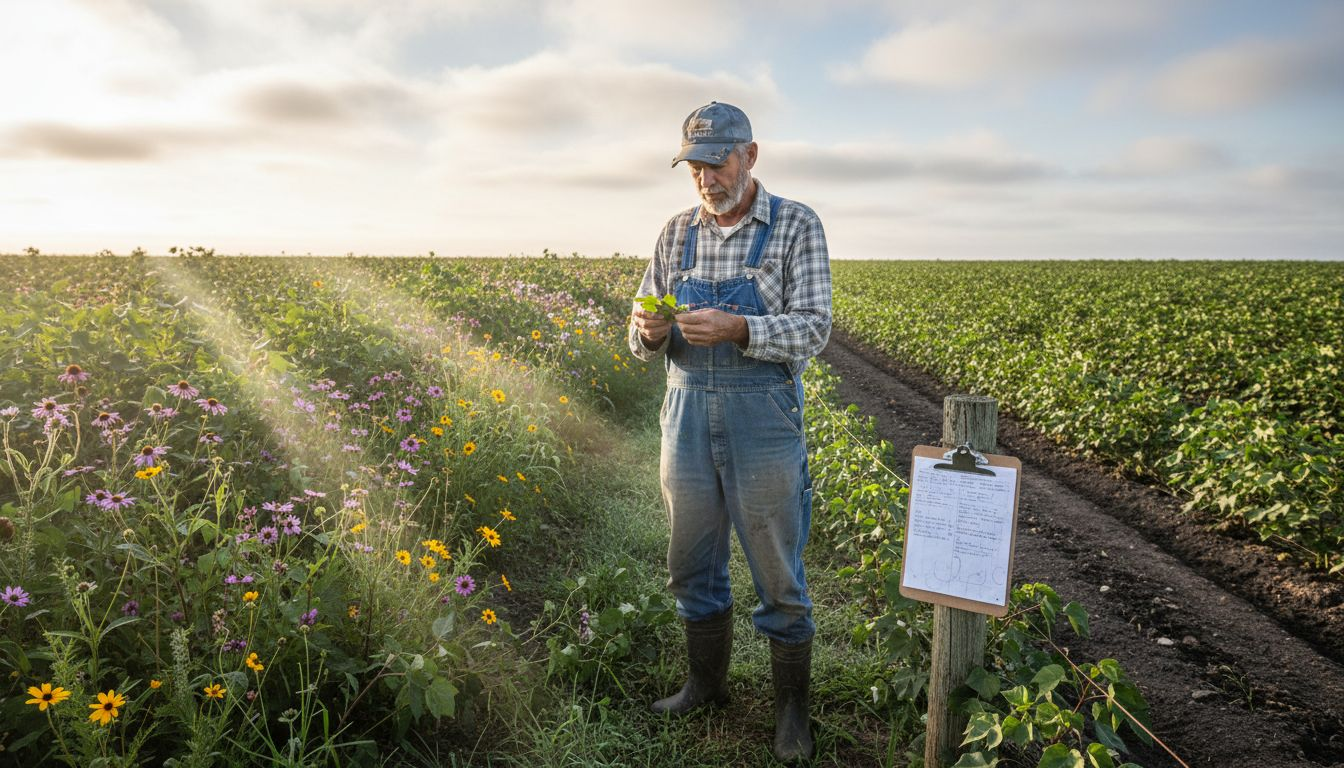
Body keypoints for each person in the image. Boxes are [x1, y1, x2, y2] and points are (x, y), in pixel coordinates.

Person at [627, 101, 832, 762]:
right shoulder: (674, 232)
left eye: (717, 162)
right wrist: (650, 331)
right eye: (695, 167)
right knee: (690, 560)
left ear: (750, 155)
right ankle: (704, 685)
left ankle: (792, 713)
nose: (707, 178)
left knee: (777, 569)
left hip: (763, 417)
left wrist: (741, 328)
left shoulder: (796, 224)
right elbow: (638, 338)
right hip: (685, 415)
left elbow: (815, 328)